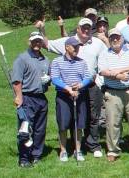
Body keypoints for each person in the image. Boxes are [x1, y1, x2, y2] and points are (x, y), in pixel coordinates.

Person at [40, 18, 108, 158]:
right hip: (67, 92)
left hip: (89, 87)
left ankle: (87, 147)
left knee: (88, 118)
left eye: (88, 27)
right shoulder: (64, 48)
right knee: (68, 121)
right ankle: (67, 149)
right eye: (83, 27)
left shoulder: (95, 45)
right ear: (78, 28)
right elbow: (46, 45)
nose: (86, 30)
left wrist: (83, 84)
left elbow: (98, 67)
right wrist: (42, 29)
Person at [98, 29, 129, 162]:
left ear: (122, 39)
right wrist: (118, 76)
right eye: (112, 37)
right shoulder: (104, 54)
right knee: (112, 123)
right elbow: (103, 72)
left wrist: (121, 70)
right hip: (112, 92)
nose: (115, 40)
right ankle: (113, 151)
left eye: (117, 37)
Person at [12, 32, 51, 167]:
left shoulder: (45, 59)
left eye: (39, 41)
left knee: (40, 130)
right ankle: (24, 158)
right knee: (25, 130)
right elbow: (17, 81)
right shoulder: (22, 59)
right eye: (34, 41)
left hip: (41, 98)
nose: (37, 43)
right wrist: (19, 97)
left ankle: (36, 155)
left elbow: (47, 78)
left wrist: (48, 80)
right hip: (27, 98)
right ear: (30, 42)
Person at [50, 38, 92, 162]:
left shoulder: (82, 62)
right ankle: (63, 151)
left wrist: (80, 85)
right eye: (74, 47)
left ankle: (77, 150)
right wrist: (68, 88)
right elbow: (55, 78)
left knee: (79, 124)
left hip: (79, 95)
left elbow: (88, 77)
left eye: (78, 47)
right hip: (63, 96)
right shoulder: (57, 61)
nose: (76, 49)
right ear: (67, 47)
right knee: (63, 125)